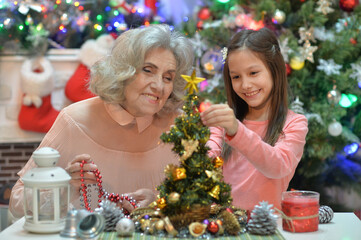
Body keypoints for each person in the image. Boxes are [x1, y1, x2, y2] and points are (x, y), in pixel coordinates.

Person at [9, 24, 194, 219]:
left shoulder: (180, 125)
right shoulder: (73, 120)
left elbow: (208, 202)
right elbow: (17, 202)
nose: (159, 86)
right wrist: (64, 187)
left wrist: (160, 204)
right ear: (124, 70)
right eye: (148, 70)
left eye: (168, 77)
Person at [200, 28, 308, 211]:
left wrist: (237, 131)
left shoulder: (294, 123)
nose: (245, 85)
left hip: (267, 228)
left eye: (253, 73)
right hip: (223, 225)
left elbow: (278, 166)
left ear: (275, 70)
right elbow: (207, 157)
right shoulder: (225, 121)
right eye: (236, 77)